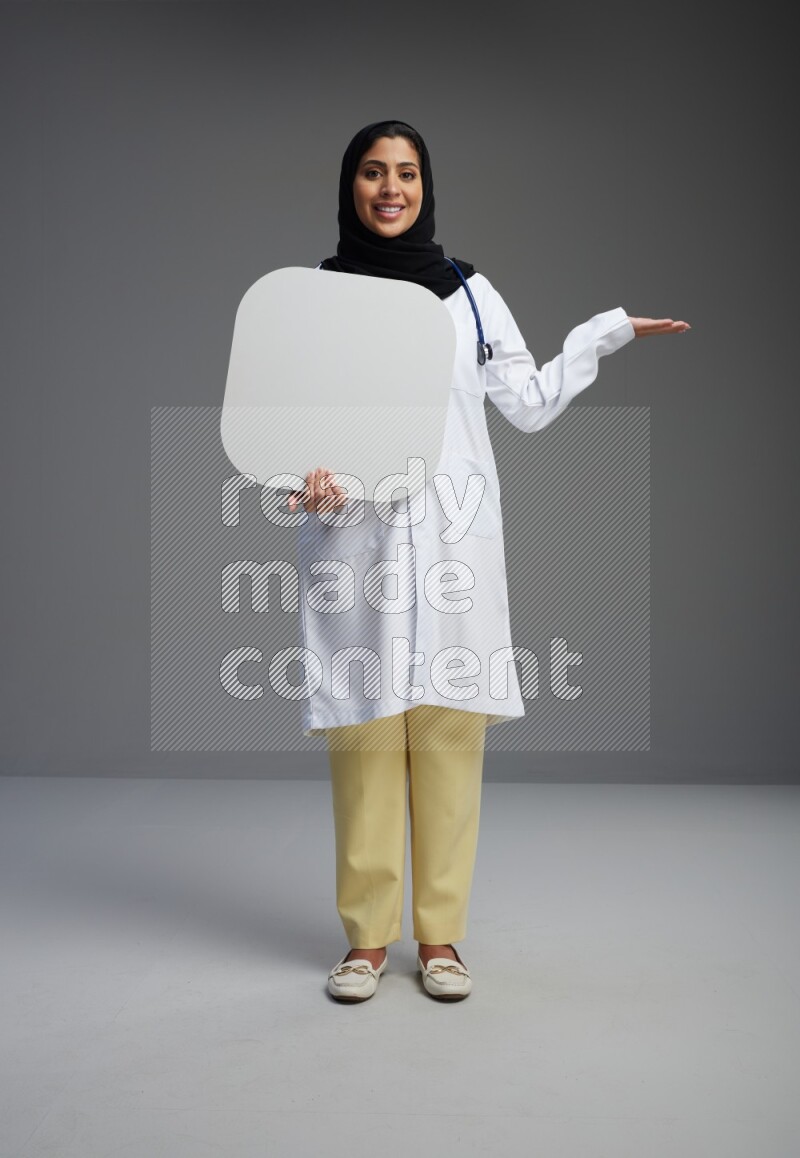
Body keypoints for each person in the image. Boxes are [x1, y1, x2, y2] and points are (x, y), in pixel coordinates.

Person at [287, 119, 690, 1003]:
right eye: (372, 172)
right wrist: (299, 482)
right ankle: (364, 942)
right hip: (355, 545)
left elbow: (532, 402)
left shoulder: (467, 294)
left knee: (443, 743)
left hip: (452, 545)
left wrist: (606, 333)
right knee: (363, 741)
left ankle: (439, 941)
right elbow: (288, 427)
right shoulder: (313, 294)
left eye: (406, 173)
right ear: (349, 186)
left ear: (426, 186)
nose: (390, 188)